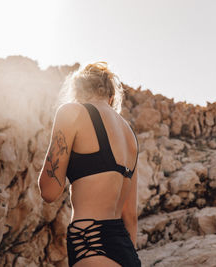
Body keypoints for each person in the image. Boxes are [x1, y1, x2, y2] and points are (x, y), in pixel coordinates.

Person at [38, 62, 142, 267]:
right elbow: (130, 215)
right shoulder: (130, 136)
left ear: (77, 92)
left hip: (90, 243)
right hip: (126, 251)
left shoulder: (72, 112)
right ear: (111, 97)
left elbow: (49, 192)